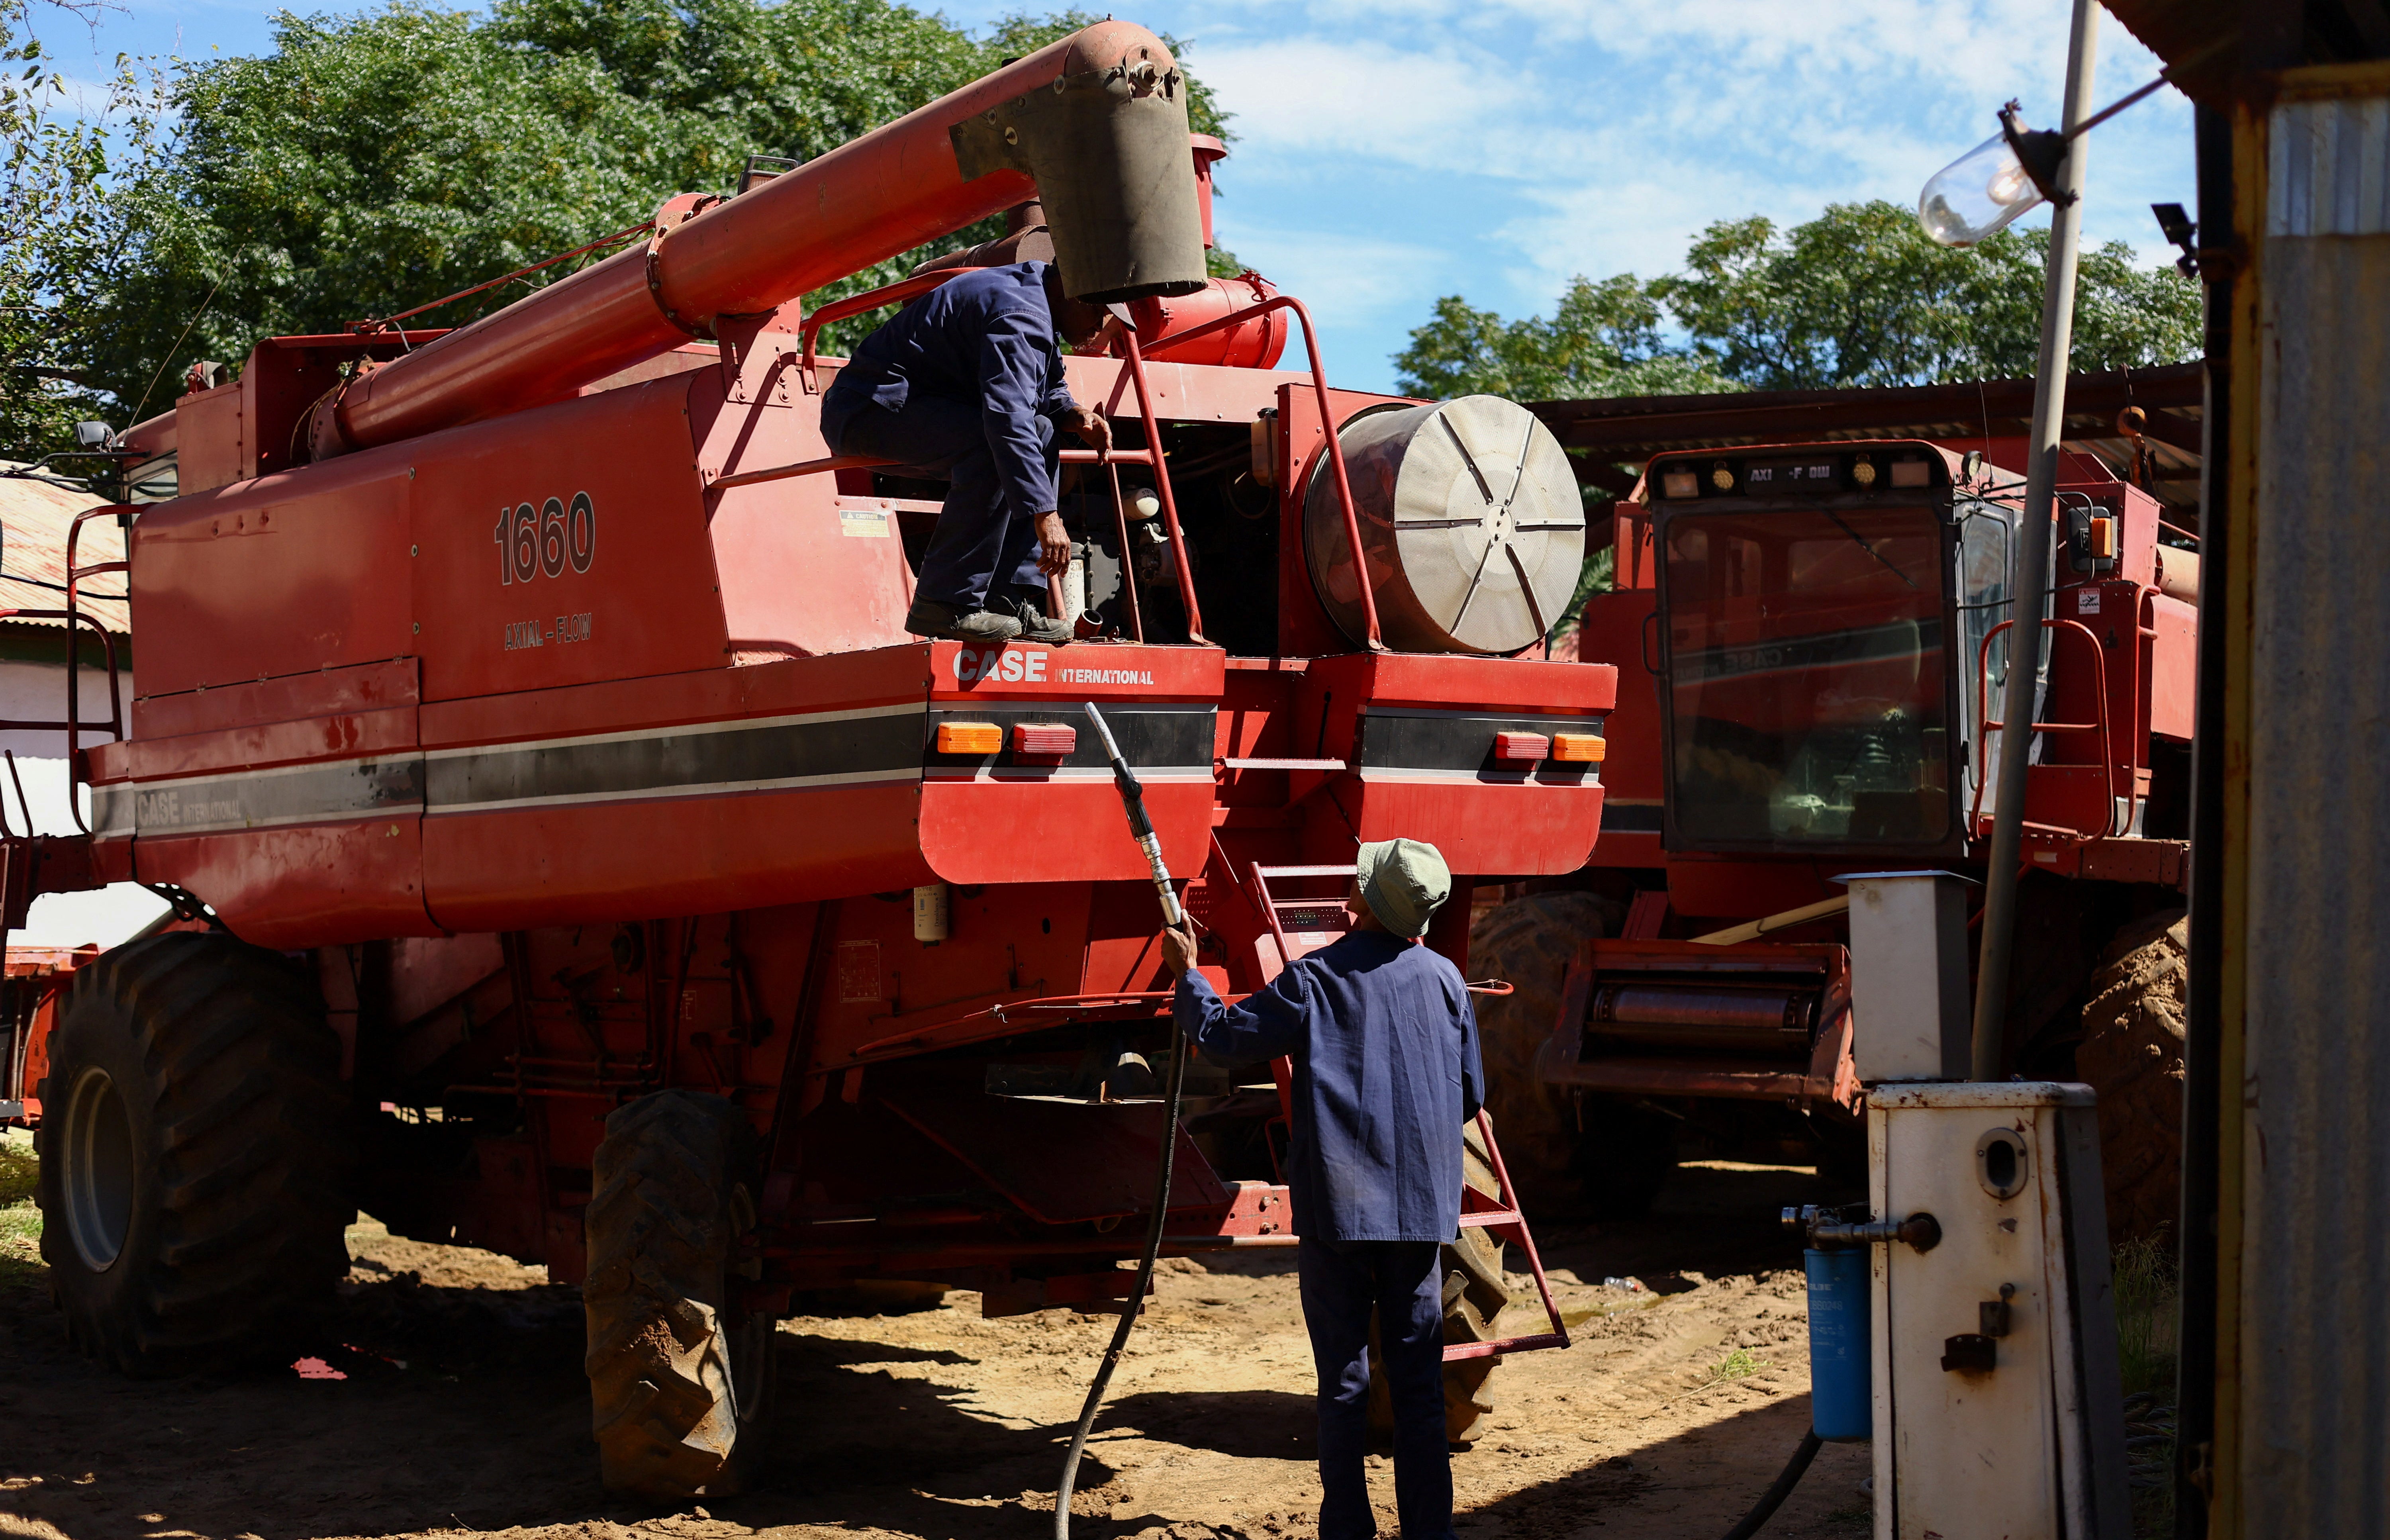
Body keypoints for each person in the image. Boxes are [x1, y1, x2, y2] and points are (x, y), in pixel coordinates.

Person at [1160, 838, 1482, 1540]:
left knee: (1344, 1382)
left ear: (1367, 905)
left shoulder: (1317, 979)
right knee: (1419, 1388)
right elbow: (1468, 1094)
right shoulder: (1449, 982)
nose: (1348, 895)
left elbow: (1221, 1036)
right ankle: (1432, 1533)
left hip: (1341, 1214)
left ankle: (1348, 1531)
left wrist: (1188, 974)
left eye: (1358, 888)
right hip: (1422, 1213)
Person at [819, 261, 1113, 645]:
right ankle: (942, 602)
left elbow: (1046, 384)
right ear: (1073, 292)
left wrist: (1074, 414)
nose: (1101, 325)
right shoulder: (1021, 313)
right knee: (994, 440)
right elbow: (1007, 419)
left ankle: (1006, 597)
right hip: (867, 409)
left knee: (1042, 430)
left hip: (923, 408)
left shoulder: (1038, 299)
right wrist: (1047, 513)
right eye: (1097, 311)